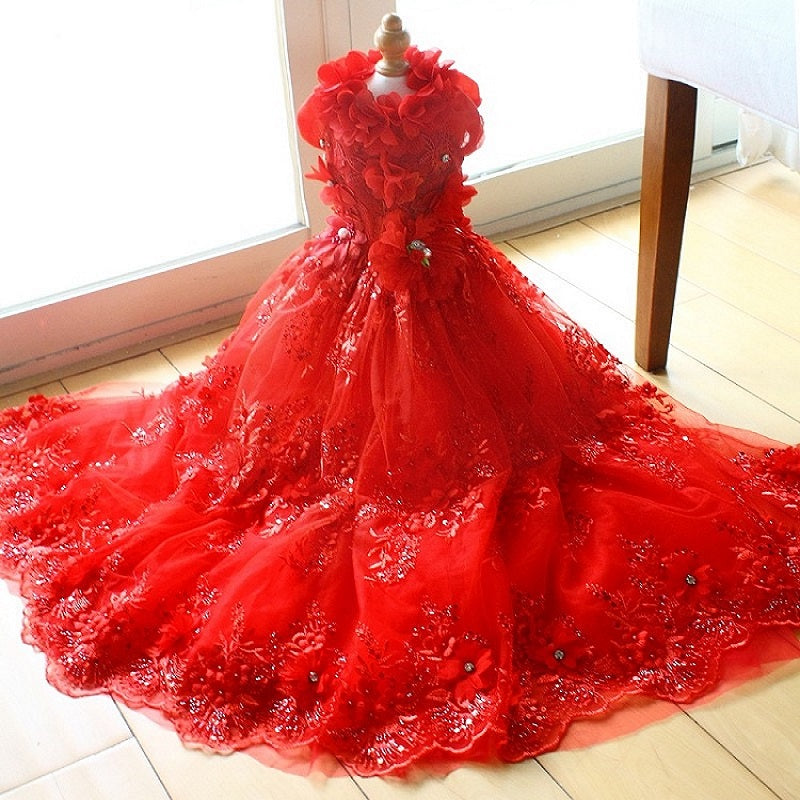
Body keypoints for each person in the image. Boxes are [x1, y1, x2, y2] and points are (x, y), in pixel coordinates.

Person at [1, 17, 799, 777]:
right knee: (283, 457)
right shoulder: (340, 105)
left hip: (455, 287)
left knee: (527, 450)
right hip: (340, 297)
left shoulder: (447, 99)